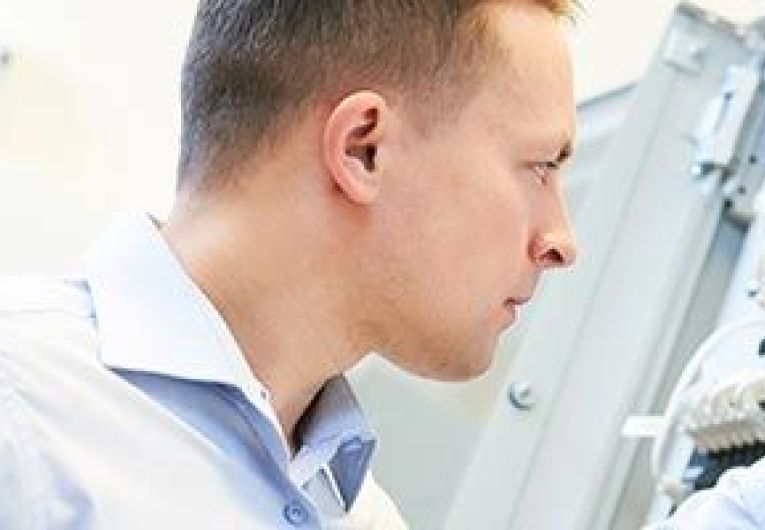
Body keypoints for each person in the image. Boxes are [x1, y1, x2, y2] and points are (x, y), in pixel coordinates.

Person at [0, 0, 578, 528]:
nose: (562, 242)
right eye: (541, 167)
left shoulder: (363, 516)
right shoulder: (23, 411)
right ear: (362, 149)